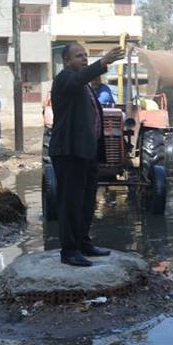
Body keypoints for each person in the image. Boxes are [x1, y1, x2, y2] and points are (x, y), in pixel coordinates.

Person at [49, 42, 126, 267]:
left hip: (86, 152)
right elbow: (78, 78)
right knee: (70, 203)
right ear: (66, 61)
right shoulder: (65, 79)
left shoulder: (85, 86)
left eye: (85, 56)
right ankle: (69, 251)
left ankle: (83, 243)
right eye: (78, 56)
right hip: (69, 151)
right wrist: (103, 62)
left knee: (86, 201)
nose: (83, 59)